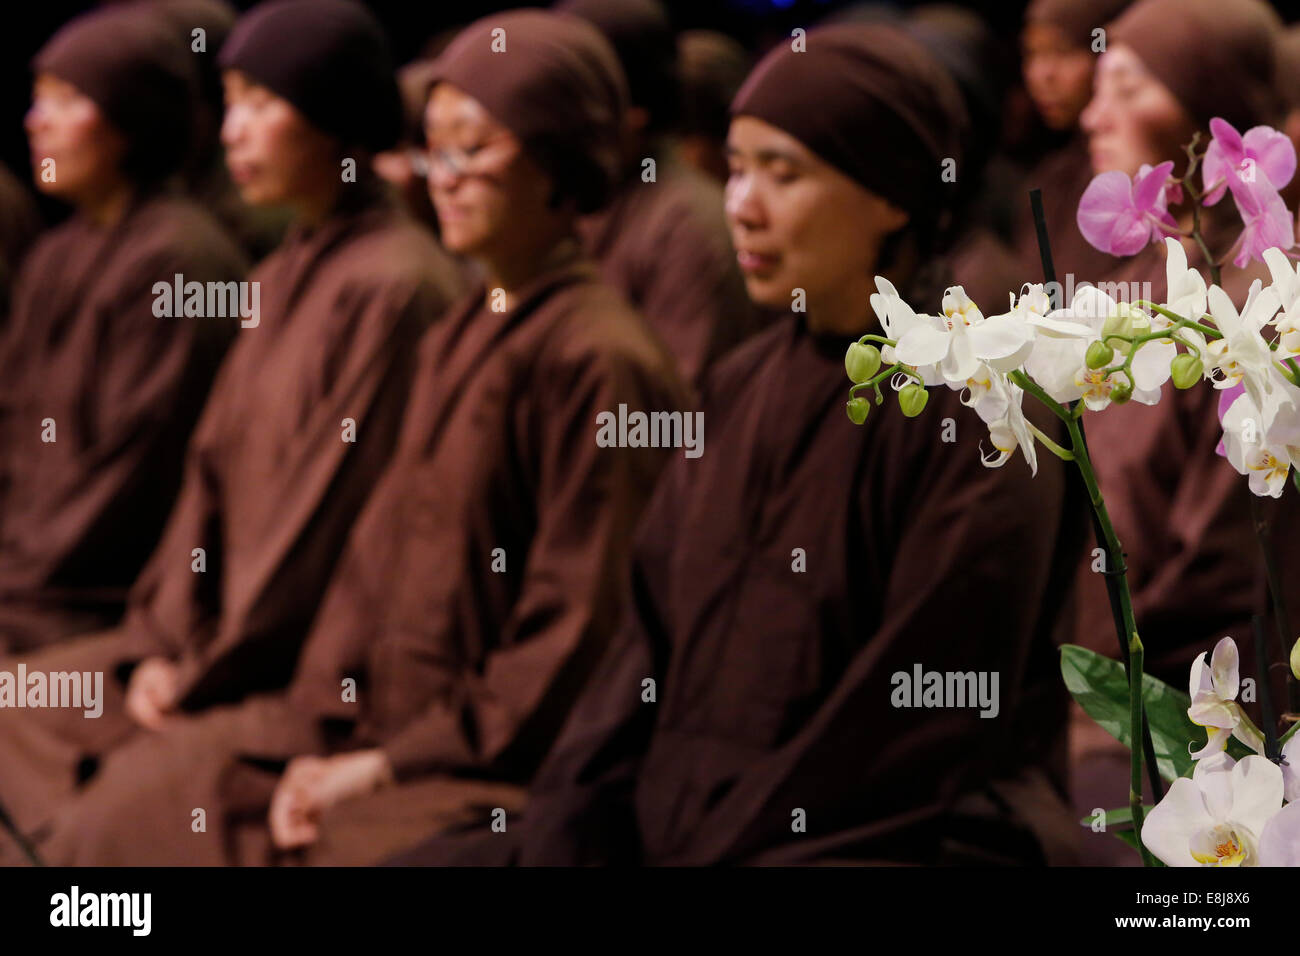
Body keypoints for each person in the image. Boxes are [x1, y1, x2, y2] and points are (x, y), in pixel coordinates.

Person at [9, 8, 689, 867]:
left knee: (123, 825)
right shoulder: (465, 326)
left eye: (473, 150)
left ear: (558, 160)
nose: (440, 177)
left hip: (474, 762)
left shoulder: (588, 355)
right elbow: (349, 557)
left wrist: (370, 757)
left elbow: (570, 641)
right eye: (434, 148)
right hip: (353, 710)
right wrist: (196, 658)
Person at [394, 22, 1082, 867]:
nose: (741, 203)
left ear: (894, 193)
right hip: (683, 820)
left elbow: (913, 725)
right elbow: (640, 654)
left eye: (782, 173)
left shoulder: (979, 404)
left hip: (877, 834)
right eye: (738, 166)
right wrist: (564, 829)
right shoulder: (738, 384)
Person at [0, 0, 466, 860]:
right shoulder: (285, 269)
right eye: (231, 102)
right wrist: (157, 640)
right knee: (9, 714)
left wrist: (200, 668)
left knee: (99, 833)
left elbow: (322, 526)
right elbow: (204, 481)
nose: (233, 132)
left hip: (297, 673)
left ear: (333, 121)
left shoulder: (392, 287)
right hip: (190, 640)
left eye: (260, 103)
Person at [1066, 0, 1287, 865]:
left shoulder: (1253, 301)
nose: (1095, 115)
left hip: (1182, 733)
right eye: (1094, 87)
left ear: (1208, 114)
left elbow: (1227, 563)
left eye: (1125, 86)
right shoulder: (1122, 284)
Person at [0, 6, 246, 652]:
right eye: (36, 100)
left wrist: (20, 580)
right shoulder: (60, 252)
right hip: (25, 581)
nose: (36, 121)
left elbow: (139, 474)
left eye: (64, 100)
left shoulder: (186, 262)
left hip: (94, 602)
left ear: (128, 121)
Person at [556, 0, 761, 388]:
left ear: (631, 112)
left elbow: (677, 417)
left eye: (567, 97)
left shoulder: (687, 225)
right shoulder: (578, 197)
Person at [1012, 0, 1133, 288]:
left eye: (1063, 53)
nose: (1042, 74)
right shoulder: (1051, 177)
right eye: (1032, 53)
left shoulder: (1132, 172)